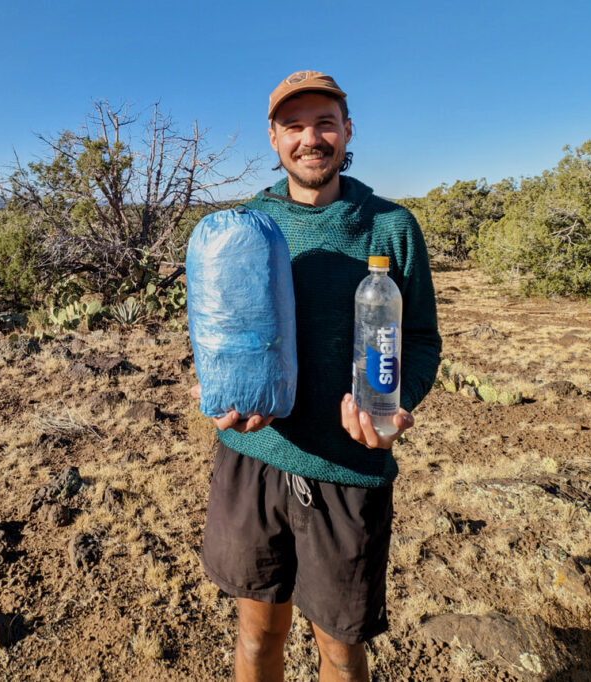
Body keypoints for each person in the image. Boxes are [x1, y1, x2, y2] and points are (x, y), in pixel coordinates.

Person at [194, 70, 441, 682]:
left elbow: (422, 342)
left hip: (350, 467)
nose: (312, 137)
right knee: (255, 637)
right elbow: (219, 327)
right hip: (254, 454)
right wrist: (223, 396)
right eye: (295, 125)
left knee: (340, 649)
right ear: (275, 138)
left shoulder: (391, 226)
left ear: (347, 130)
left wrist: (394, 405)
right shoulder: (243, 228)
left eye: (325, 122)